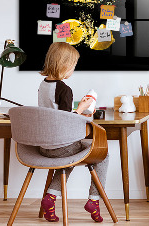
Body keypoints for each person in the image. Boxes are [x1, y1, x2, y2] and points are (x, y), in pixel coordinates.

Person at [38, 42, 108, 223]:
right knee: (103, 154)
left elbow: (55, 114)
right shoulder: (64, 89)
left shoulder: (43, 85)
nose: (73, 70)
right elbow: (66, 121)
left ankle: (50, 198)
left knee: (68, 157)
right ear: (65, 65)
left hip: (44, 146)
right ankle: (94, 200)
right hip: (61, 146)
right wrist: (83, 108)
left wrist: (77, 109)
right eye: (73, 66)